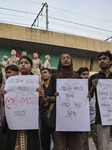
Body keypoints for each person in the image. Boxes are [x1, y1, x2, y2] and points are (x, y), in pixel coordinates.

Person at [4, 56, 45, 150]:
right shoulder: (12, 82)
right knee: (14, 141)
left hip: (31, 118)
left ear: (31, 66)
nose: (23, 64)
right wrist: (5, 96)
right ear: (18, 66)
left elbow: (41, 103)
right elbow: (8, 103)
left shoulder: (36, 81)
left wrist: (42, 95)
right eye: (21, 63)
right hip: (16, 117)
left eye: (26, 63)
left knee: (31, 142)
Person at [54, 53, 82, 150]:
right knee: (60, 147)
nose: (65, 60)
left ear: (71, 60)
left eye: (68, 58)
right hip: (59, 119)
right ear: (60, 61)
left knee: (76, 147)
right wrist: (55, 96)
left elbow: (82, 98)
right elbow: (48, 98)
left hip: (75, 119)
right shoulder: (55, 77)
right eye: (63, 58)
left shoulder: (77, 77)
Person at [89, 50, 112, 150]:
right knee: (103, 146)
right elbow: (88, 96)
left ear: (110, 62)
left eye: (105, 59)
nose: (102, 61)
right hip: (102, 118)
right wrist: (93, 87)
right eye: (100, 59)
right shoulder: (94, 78)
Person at [77, 67, 98, 150]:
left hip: (94, 118)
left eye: (87, 74)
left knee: (98, 140)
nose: (86, 76)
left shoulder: (93, 86)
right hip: (82, 120)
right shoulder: (76, 87)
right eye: (83, 74)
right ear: (79, 76)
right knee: (83, 142)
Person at [0, 64, 19, 150]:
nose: (7, 74)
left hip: (20, 118)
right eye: (6, 73)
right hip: (6, 118)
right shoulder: (3, 87)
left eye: (9, 72)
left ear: (16, 73)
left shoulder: (22, 86)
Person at [40, 68, 56, 150]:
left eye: (45, 72)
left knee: (56, 140)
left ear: (50, 74)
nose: (43, 74)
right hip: (43, 116)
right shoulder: (40, 88)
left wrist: (49, 101)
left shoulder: (55, 87)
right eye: (41, 73)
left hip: (54, 117)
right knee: (45, 140)